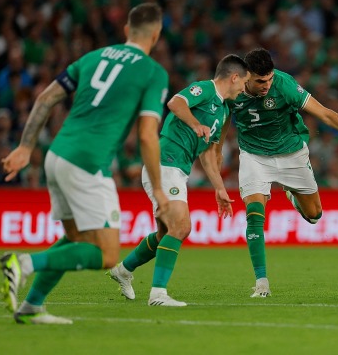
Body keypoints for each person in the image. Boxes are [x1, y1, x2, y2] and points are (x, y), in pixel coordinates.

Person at [0, 2, 170, 324]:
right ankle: (24, 264)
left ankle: (32, 305)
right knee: (106, 255)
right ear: (157, 35)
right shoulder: (153, 72)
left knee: (77, 239)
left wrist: (25, 147)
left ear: (125, 31)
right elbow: (148, 135)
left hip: (57, 155)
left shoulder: (93, 57)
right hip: (88, 163)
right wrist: (159, 191)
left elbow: (45, 98)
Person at [230, 48, 338, 297]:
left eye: (269, 79)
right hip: (253, 156)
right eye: (261, 81)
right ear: (247, 75)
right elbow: (218, 123)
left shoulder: (284, 86)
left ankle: (293, 195)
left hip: (291, 154)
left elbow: (325, 114)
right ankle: (261, 283)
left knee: (315, 215)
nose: (266, 86)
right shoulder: (232, 89)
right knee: (254, 215)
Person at [107, 55, 250, 306]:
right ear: (234, 77)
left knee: (165, 234)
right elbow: (176, 103)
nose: (244, 88)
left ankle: (123, 271)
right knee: (181, 227)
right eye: (244, 82)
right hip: (164, 163)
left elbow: (207, 155)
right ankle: (158, 294)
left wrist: (219, 189)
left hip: (177, 169)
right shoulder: (205, 89)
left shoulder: (224, 110)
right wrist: (196, 124)